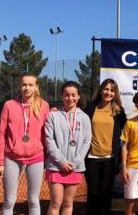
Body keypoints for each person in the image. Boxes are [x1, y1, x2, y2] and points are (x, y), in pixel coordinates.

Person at [0, 74, 50, 215]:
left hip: (36, 157)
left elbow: (46, 133)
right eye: (24, 84)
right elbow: (2, 134)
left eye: (30, 84)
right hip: (12, 157)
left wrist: (48, 157)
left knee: (33, 201)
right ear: (20, 86)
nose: (27, 88)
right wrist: (0, 161)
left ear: (36, 86)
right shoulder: (9, 105)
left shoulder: (44, 105)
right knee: (9, 200)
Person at [45, 81, 92, 215]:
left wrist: (75, 162)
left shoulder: (84, 118)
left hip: (75, 167)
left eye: (73, 95)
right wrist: (61, 161)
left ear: (78, 97)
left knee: (68, 203)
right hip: (56, 166)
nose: (70, 98)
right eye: (66, 95)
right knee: (56, 203)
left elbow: (86, 141)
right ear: (61, 96)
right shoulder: (53, 116)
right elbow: (49, 140)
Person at [85, 78, 127, 215]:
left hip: (110, 159)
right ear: (101, 90)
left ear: (116, 93)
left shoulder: (119, 112)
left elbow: (130, 129)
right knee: (92, 193)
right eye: (106, 89)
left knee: (105, 194)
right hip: (91, 158)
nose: (109, 92)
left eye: (112, 90)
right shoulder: (90, 108)